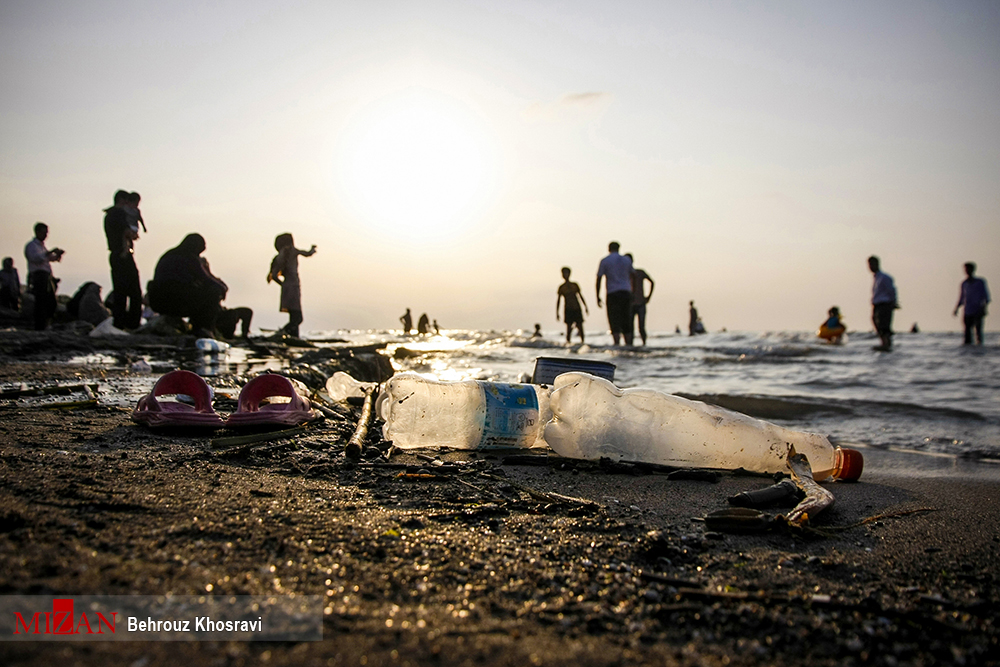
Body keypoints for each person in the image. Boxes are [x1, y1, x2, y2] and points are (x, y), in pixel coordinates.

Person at [147, 233, 227, 337]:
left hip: (158, 300)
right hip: (176, 300)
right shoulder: (189, 258)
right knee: (213, 291)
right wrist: (223, 287)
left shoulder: (168, 255)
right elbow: (207, 279)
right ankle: (202, 329)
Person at [103, 189, 143, 330]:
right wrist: (132, 234)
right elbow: (127, 231)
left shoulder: (109, 215)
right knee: (134, 292)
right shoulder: (118, 213)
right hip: (123, 255)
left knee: (120, 290)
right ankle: (132, 323)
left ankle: (119, 322)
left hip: (116, 254)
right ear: (122, 200)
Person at [267, 233, 317, 338]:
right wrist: (313, 249)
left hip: (287, 286)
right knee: (298, 318)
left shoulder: (279, 256)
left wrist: (283, 285)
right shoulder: (292, 250)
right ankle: (281, 334)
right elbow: (307, 253)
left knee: (293, 316)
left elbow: (274, 276)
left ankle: (293, 337)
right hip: (293, 286)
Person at [24, 222, 64, 330]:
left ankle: (46, 323)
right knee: (41, 302)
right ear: (37, 232)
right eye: (44, 233)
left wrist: (57, 255)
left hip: (46, 275)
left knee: (50, 301)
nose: (46, 236)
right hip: (38, 275)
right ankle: (40, 325)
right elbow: (36, 258)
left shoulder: (42, 247)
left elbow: (50, 258)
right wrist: (49, 252)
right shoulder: (31, 246)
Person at [595, 242, 633, 345]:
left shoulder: (605, 261)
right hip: (626, 291)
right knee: (626, 319)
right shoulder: (626, 260)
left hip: (613, 292)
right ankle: (628, 344)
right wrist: (632, 291)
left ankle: (617, 343)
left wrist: (597, 296)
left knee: (614, 319)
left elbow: (599, 278)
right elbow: (632, 275)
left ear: (609, 248)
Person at [954, 262, 990, 345]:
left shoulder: (980, 282)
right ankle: (968, 351)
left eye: (968, 269)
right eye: (965, 269)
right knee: (967, 332)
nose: (967, 271)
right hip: (967, 311)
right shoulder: (964, 283)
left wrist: (984, 308)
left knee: (978, 332)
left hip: (978, 309)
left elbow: (986, 296)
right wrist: (956, 309)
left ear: (973, 269)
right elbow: (962, 297)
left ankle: (979, 349)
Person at [868, 255, 898, 351]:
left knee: (883, 324)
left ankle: (886, 344)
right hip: (877, 304)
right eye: (869, 265)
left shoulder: (884, 277)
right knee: (876, 322)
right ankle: (884, 342)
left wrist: (893, 301)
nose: (870, 267)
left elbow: (892, 290)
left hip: (885, 303)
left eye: (872, 264)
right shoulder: (876, 278)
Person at [625, 253, 654, 346]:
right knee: (630, 327)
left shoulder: (640, 272)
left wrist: (649, 296)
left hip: (640, 302)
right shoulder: (625, 274)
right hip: (630, 304)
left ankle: (644, 344)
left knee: (641, 327)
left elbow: (652, 282)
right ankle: (630, 346)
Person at [556, 266, 588, 344]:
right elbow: (559, 300)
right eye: (563, 273)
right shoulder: (561, 287)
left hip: (576, 307)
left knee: (580, 326)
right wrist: (557, 312)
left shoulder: (575, 285)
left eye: (566, 273)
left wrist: (585, 306)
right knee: (569, 328)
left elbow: (580, 296)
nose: (564, 275)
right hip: (568, 308)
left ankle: (582, 342)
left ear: (569, 274)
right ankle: (568, 342)